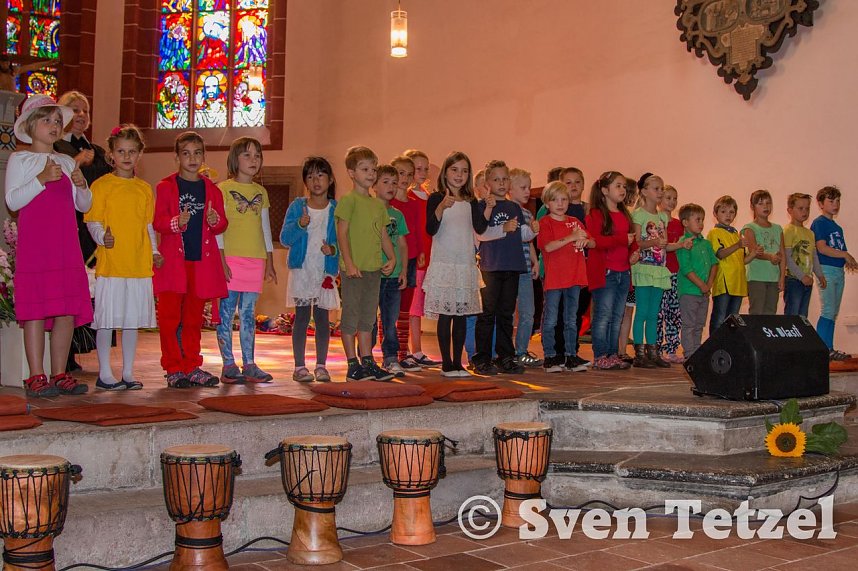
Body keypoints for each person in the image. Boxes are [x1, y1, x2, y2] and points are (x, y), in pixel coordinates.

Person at [5, 94, 92, 397]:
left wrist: (82, 188)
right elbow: (13, 201)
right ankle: (36, 375)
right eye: (47, 120)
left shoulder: (67, 161)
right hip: (37, 248)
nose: (55, 125)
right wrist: (40, 179)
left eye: (58, 121)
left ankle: (59, 373)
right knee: (36, 311)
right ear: (29, 126)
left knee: (66, 310)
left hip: (65, 246)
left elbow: (82, 205)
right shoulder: (21, 160)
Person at [84, 124, 158, 390]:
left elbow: (147, 226)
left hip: (137, 265)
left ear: (139, 154)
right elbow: (92, 221)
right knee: (107, 320)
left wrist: (155, 251)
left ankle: (127, 372)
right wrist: (102, 236)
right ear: (111, 155)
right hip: (113, 265)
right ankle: (105, 373)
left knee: (131, 322)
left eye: (132, 151)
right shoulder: (102, 185)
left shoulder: (144, 189)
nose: (126, 156)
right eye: (121, 151)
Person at [153, 131, 228, 388]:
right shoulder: (165, 187)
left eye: (197, 153)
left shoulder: (211, 189)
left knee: (194, 317)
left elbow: (221, 223)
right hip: (174, 263)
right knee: (170, 316)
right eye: (186, 153)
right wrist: (176, 223)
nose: (192, 158)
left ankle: (192, 365)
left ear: (204, 156)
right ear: (177, 157)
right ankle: (173, 367)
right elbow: (158, 222)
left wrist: (216, 221)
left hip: (200, 262)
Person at [54, 90, 112, 372]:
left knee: (93, 289)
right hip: (70, 226)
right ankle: (62, 356)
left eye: (84, 111)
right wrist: (77, 160)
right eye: (74, 110)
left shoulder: (98, 151)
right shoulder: (56, 149)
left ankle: (81, 348)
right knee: (69, 287)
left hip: (95, 229)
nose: (80, 115)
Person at [215, 137, 276, 384]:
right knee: (226, 314)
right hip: (230, 258)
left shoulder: (261, 192)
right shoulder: (223, 189)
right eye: (247, 155)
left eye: (257, 155)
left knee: (249, 314)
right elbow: (218, 228)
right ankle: (228, 364)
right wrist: (221, 260)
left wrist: (269, 261)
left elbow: (265, 228)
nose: (253, 160)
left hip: (255, 259)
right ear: (234, 159)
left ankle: (249, 363)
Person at [424, 151, 488, 377]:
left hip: (464, 264)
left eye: (464, 171)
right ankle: (446, 363)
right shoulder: (436, 197)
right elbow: (430, 228)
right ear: (445, 172)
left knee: (461, 315)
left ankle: (458, 363)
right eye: (454, 170)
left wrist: (487, 206)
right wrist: (441, 208)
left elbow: (480, 228)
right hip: (445, 263)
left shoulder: (471, 201)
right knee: (446, 314)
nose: (459, 175)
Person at [335, 146, 396, 381]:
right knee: (351, 316)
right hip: (354, 269)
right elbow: (342, 234)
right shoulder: (348, 201)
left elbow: (382, 234)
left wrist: (391, 257)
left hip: (373, 268)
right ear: (352, 173)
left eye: (373, 169)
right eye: (365, 169)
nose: (371, 173)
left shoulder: (377, 205)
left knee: (368, 318)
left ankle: (367, 360)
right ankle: (352, 364)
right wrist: (349, 263)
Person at [280, 157, 340, 382]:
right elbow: (285, 238)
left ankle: (322, 365)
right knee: (302, 317)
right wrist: (300, 225)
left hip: (324, 271)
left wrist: (332, 250)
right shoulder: (298, 206)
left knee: (323, 319)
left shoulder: (336, 209)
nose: (316, 180)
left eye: (320, 175)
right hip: (303, 270)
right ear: (305, 181)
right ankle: (299, 366)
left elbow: (343, 242)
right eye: (310, 176)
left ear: (330, 179)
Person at [472, 160, 526, 376]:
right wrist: (503, 228)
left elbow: (522, 235)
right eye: (496, 179)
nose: (502, 183)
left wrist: (533, 230)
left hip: (512, 266)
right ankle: (482, 358)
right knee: (487, 313)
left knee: (506, 314)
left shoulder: (514, 207)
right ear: (487, 183)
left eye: (505, 179)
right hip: (490, 267)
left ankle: (505, 356)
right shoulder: (482, 206)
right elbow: (481, 234)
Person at [538, 181, 592, 373]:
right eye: (555, 200)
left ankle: (570, 355)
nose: (560, 204)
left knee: (571, 318)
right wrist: (571, 237)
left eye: (564, 199)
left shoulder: (574, 222)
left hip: (575, 277)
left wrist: (585, 240)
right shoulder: (545, 222)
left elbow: (590, 241)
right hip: (555, 278)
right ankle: (550, 356)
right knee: (552, 318)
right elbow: (548, 246)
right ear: (547, 203)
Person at [585, 171, 635, 371]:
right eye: (618, 186)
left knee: (617, 316)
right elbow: (596, 242)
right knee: (603, 315)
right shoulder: (595, 215)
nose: (622, 190)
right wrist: (623, 241)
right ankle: (600, 355)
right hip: (606, 271)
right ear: (604, 190)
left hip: (623, 271)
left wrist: (634, 252)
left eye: (624, 186)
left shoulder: (624, 214)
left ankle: (613, 354)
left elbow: (631, 240)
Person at [630, 173, 673, 368]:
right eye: (656, 189)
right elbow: (637, 242)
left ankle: (653, 350)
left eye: (661, 189)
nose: (660, 192)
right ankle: (639, 353)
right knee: (642, 312)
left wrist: (679, 245)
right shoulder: (639, 214)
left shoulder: (662, 216)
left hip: (659, 269)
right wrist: (654, 242)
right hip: (644, 268)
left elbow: (665, 245)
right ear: (645, 191)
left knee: (655, 313)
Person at [403, 149, 441, 367]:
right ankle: (410, 349)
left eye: (426, 168)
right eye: (418, 168)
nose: (423, 172)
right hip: (415, 256)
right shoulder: (406, 196)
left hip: (428, 257)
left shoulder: (429, 197)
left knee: (418, 306)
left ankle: (416, 350)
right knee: (411, 307)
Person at [372, 164, 409, 376]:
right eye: (385, 182)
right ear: (374, 185)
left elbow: (402, 244)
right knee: (368, 319)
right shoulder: (368, 210)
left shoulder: (397, 214)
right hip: (372, 274)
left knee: (390, 320)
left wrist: (402, 270)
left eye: (394, 183)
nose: (391, 186)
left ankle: (391, 358)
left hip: (393, 276)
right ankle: (365, 357)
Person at [812, 186, 857, 360]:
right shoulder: (820, 223)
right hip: (827, 270)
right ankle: (824, 348)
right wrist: (845, 254)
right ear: (821, 204)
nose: (835, 204)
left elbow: (840, 252)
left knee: (833, 311)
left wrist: (849, 260)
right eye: (831, 201)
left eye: (838, 201)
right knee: (828, 310)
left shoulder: (837, 227)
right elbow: (822, 248)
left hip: (838, 271)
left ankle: (829, 348)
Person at [389, 155, 423, 371]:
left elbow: (417, 230)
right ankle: (389, 353)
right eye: (400, 173)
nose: (405, 178)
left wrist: (420, 252)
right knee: (390, 309)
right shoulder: (387, 203)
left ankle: (403, 352)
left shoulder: (413, 204)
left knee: (404, 309)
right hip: (392, 261)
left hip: (410, 260)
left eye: (409, 174)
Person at [675, 203, 718, 358]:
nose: (701, 223)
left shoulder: (706, 243)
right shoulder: (683, 243)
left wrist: (709, 284)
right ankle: (689, 354)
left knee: (700, 324)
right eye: (697, 219)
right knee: (689, 325)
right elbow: (686, 269)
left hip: (704, 292)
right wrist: (701, 284)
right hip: (689, 291)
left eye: (702, 220)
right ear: (685, 223)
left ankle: (697, 352)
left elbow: (714, 264)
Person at [509, 168, 541, 368]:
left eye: (529, 187)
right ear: (510, 189)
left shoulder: (528, 213)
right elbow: (523, 235)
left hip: (525, 269)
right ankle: (504, 350)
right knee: (508, 313)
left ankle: (521, 350)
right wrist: (531, 232)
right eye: (523, 187)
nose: (527, 191)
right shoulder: (505, 211)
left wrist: (535, 261)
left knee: (528, 311)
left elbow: (529, 242)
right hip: (509, 268)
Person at [708, 196, 752, 333]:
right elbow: (720, 254)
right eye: (723, 211)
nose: (728, 215)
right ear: (715, 214)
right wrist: (738, 245)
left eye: (731, 212)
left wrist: (754, 254)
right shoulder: (714, 233)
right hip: (724, 282)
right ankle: (714, 347)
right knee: (720, 317)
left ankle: (728, 347)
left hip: (738, 283)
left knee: (732, 320)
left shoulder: (736, 234)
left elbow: (741, 260)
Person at [783, 193, 826, 318]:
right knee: (793, 314)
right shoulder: (788, 231)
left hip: (807, 280)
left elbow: (814, 256)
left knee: (802, 316)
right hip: (793, 280)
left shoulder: (810, 233)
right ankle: (789, 337)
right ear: (790, 210)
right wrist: (801, 276)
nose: (805, 211)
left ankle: (800, 337)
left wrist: (820, 275)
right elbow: (787, 258)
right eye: (800, 208)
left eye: (807, 208)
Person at [742, 190, 785, 315]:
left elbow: (782, 254)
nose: (765, 207)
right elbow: (753, 251)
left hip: (773, 277)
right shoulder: (750, 228)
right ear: (752, 207)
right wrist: (770, 257)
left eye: (768, 203)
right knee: (757, 311)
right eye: (760, 204)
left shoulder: (777, 228)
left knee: (770, 312)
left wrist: (782, 278)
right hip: (756, 277)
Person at [656, 184, 685, 363]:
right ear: (659, 199)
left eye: (675, 198)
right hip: (659, 274)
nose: (672, 201)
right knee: (659, 313)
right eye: (668, 198)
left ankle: (672, 348)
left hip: (675, 273)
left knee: (674, 313)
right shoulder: (656, 222)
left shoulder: (678, 224)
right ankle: (656, 348)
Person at [617, 177, 639, 362]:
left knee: (627, 311)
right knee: (618, 311)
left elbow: (634, 243)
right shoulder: (620, 215)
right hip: (618, 269)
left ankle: (622, 349)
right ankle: (614, 349)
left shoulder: (631, 215)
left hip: (630, 272)